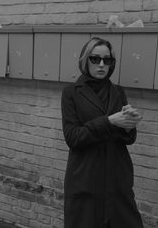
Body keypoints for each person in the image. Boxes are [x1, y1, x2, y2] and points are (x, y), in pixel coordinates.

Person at [61, 37, 144, 228]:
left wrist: (128, 126)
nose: (101, 64)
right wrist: (109, 121)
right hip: (85, 175)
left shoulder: (117, 91)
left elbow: (128, 139)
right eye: (95, 59)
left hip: (116, 175)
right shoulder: (71, 92)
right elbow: (73, 137)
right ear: (85, 61)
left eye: (107, 60)